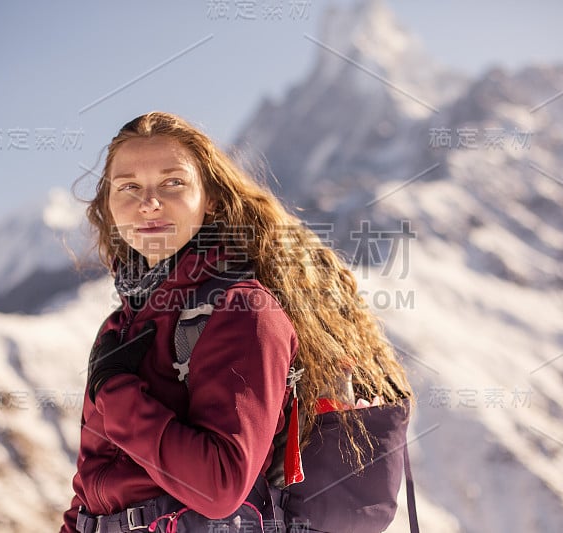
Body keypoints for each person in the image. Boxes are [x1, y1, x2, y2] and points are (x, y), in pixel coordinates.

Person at [60, 112, 412, 533]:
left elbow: (221, 485)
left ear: (209, 199)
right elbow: (92, 485)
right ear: (109, 204)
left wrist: (115, 392)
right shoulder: (120, 325)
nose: (149, 202)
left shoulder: (242, 311)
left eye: (173, 183)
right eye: (129, 187)